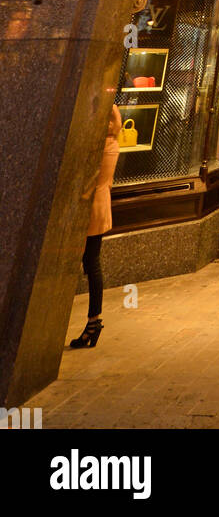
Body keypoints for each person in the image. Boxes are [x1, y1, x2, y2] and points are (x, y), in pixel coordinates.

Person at [70, 102, 122, 348]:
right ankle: (93, 323)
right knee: (92, 263)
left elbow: (86, 179)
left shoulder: (100, 145)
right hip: (99, 206)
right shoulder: (112, 143)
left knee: (91, 264)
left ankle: (93, 322)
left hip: (89, 208)